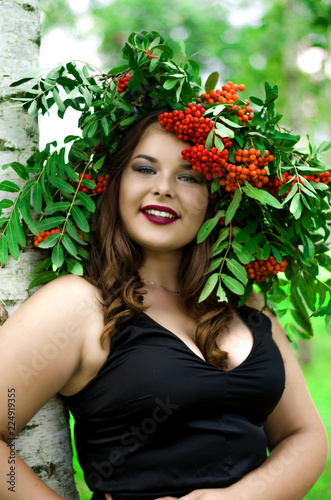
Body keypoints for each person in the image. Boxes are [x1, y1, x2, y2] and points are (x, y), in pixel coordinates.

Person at [0, 107, 328, 500]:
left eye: (189, 175)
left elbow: (304, 434)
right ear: (115, 182)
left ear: (217, 198)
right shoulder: (78, 304)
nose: (164, 188)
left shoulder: (246, 302)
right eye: (145, 169)